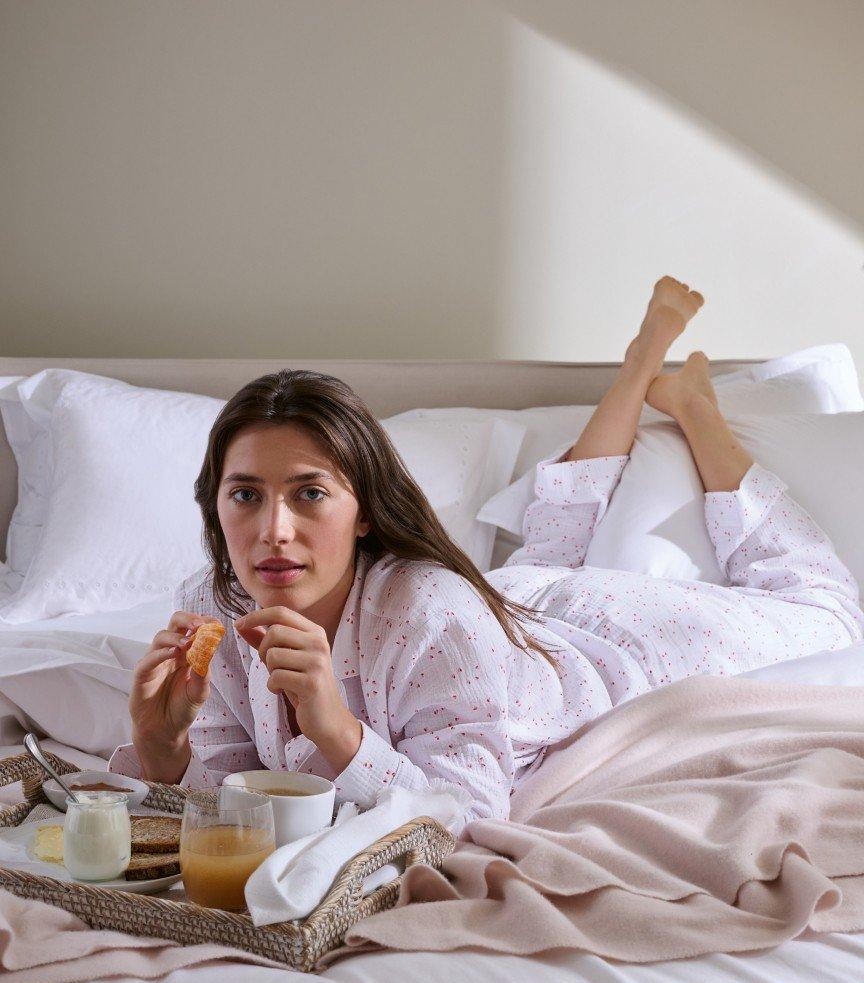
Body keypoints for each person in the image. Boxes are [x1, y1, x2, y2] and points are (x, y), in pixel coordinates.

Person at [107, 278, 864, 825]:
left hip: (615, 638)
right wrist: (160, 748)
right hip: (516, 602)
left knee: (829, 614)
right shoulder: (214, 608)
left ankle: (697, 410)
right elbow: (233, 804)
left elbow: (467, 815)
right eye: (245, 495)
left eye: (309, 493)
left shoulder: (431, 609)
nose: (272, 530)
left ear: (365, 509)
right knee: (550, 545)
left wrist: (336, 729)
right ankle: (638, 372)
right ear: (215, 503)